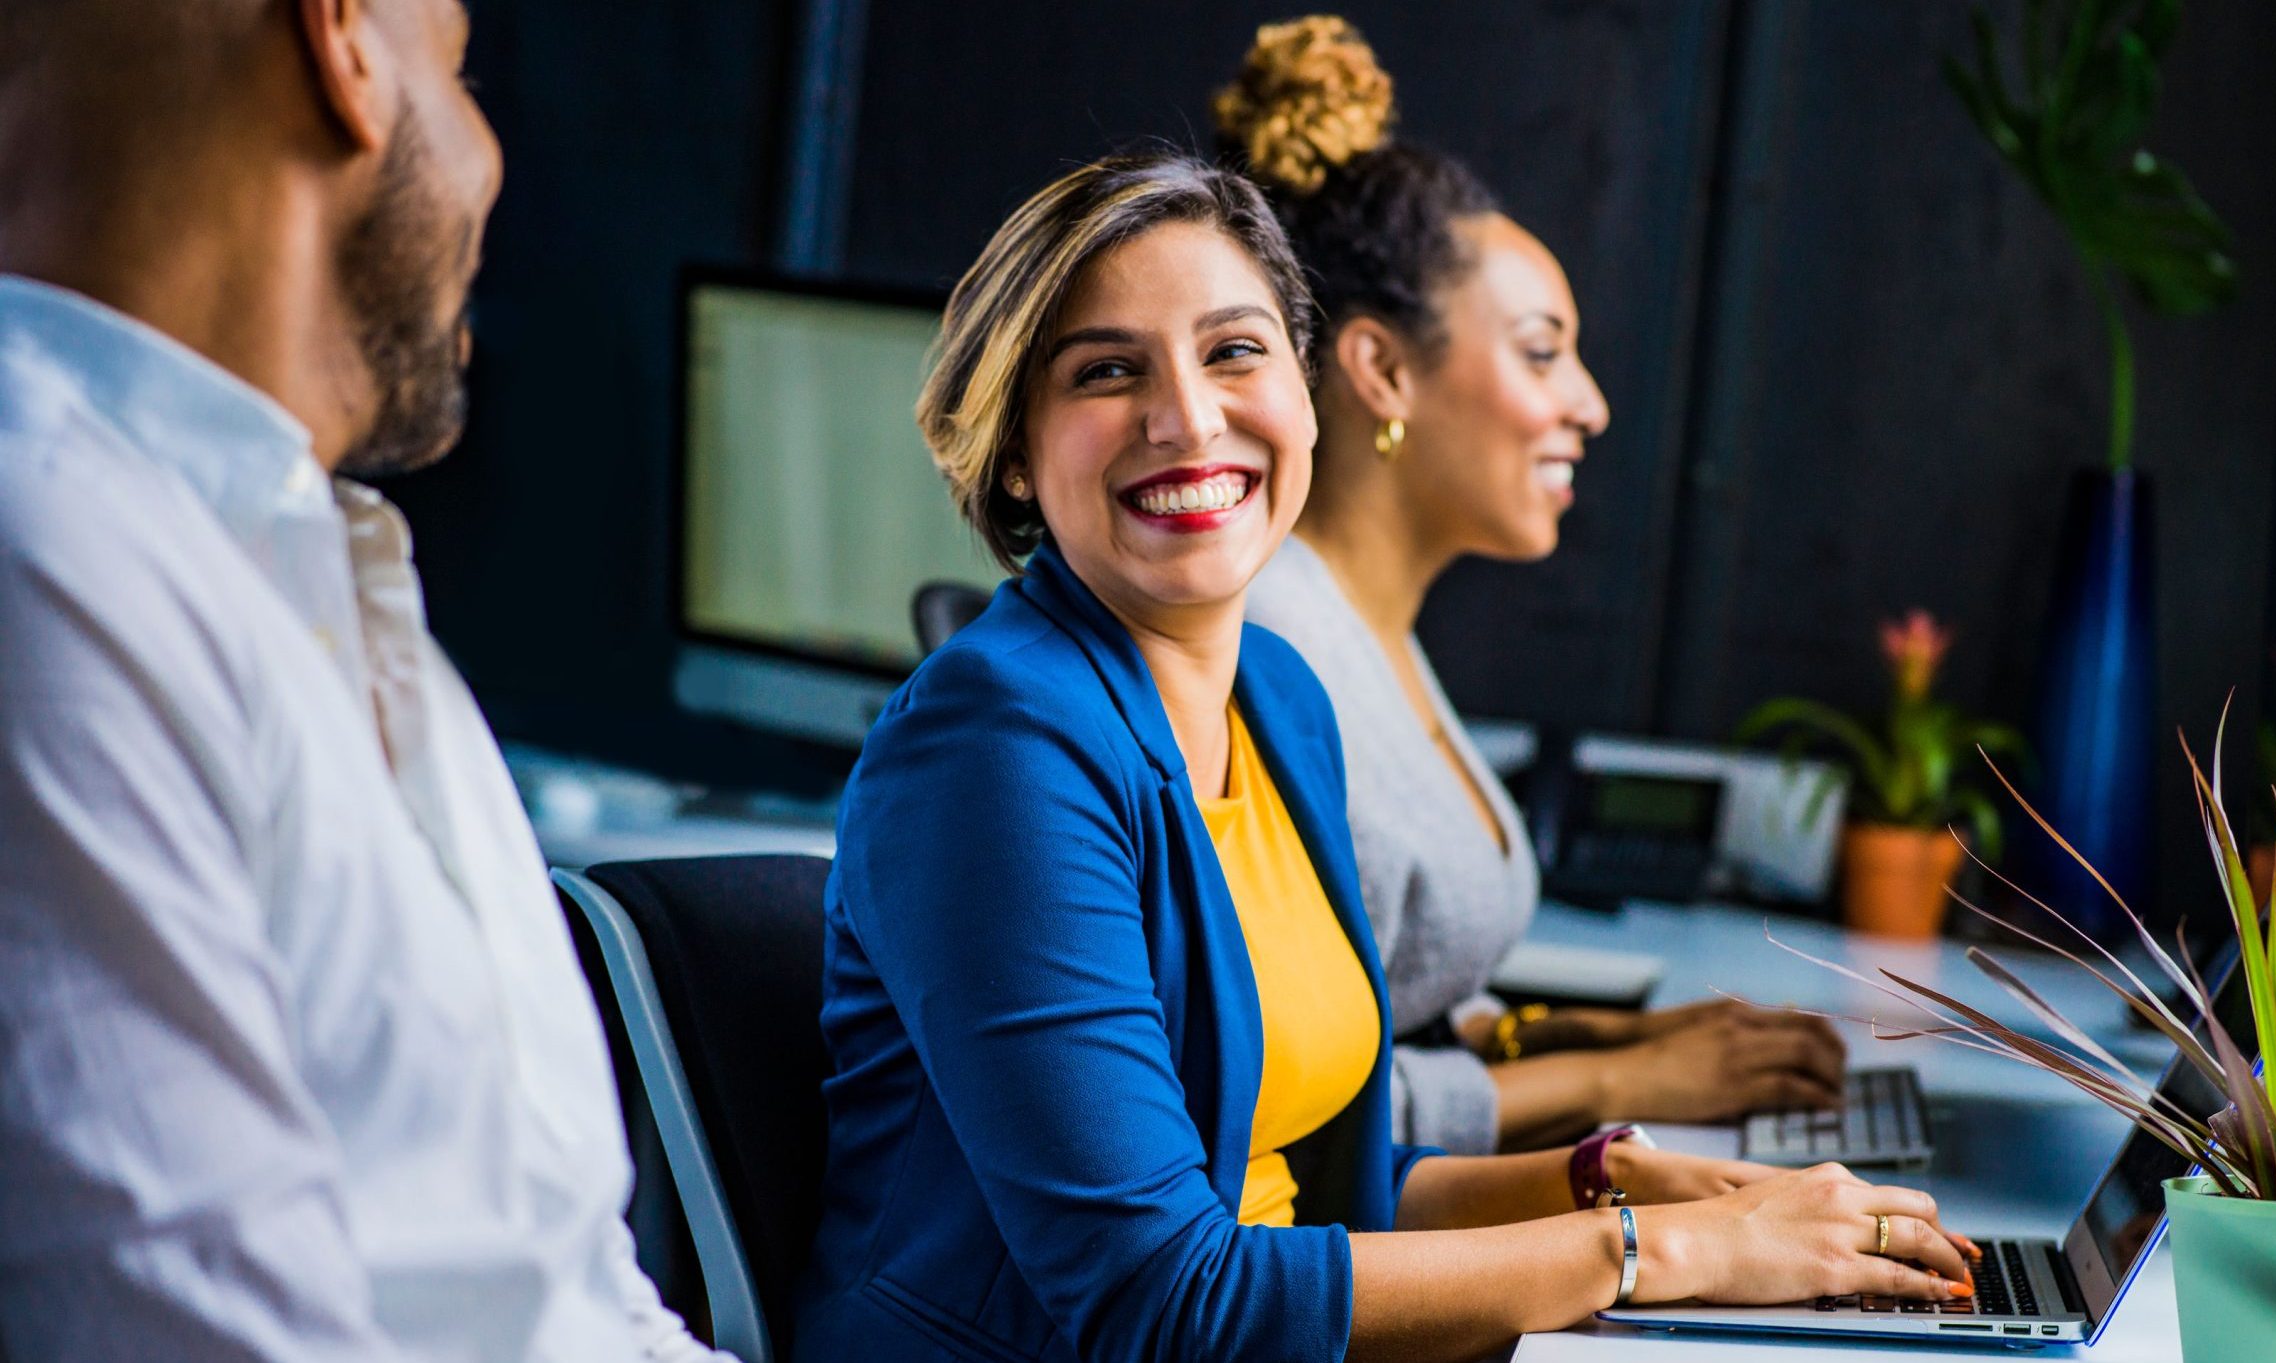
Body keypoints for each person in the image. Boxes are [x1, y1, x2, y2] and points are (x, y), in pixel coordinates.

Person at [797, 148, 1975, 1363]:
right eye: (1107, 371)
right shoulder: (994, 746)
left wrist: (1613, 1181)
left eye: (1234, 351)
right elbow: (1162, 1299)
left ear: (1307, 396)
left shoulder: (1277, 699)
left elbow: (1325, 1196)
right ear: (1012, 450)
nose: (1187, 417)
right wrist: (1656, 1250)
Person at [0, 2, 725, 1358]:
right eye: (461, 73)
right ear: (342, 43)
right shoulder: (48, 560)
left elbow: (571, 1292)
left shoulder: (328, 591)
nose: (492, 157)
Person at [1222, 16, 1849, 1157]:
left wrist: (1604, 1034)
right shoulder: (1271, 652)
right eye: (1541, 351)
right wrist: (1616, 1077)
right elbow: (1281, 1103)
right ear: (1382, 368)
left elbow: (1396, 1002)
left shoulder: (1367, 630)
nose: (1589, 405)